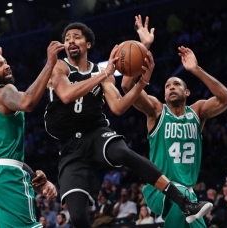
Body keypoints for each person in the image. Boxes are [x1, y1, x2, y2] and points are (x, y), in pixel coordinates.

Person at [44, 21, 213, 228]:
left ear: (88, 44)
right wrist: (104, 74)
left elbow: (118, 107)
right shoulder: (60, 66)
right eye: (67, 37)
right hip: (70, 145)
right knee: (78, 218)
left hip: (95, 132)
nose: (71, 40)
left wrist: (142, 77)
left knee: (123, 152)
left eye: (77, 36)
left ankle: (185, 203)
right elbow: (66, 94)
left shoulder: (101, 73)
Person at [122, 15, 227, 228]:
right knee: (180, 196)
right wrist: (143, 46)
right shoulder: (156, 110)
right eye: (167, 86)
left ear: (187, 91)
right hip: (159, 189)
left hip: (188, 195)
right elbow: (127, 86)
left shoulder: (197, 112)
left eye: (176, 84)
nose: (171, 87)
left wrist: (195, 69)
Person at [0, 41, 64, 228]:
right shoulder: (5, 91)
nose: (6, 65)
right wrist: (50, 64)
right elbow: (27, 102)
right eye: (0, 65)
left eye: (5, 62)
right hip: (5, 175)